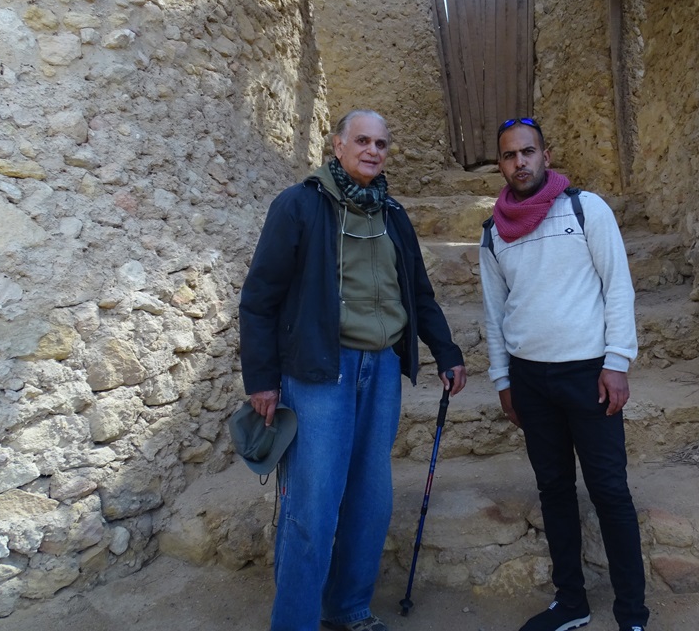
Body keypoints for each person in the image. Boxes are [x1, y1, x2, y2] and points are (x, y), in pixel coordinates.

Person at [239, 109, 467, 631]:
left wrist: (446, 352)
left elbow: (420, 295)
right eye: (362, 140)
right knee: (312, 507)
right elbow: (259, 299)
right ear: (338, 145)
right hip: (320, 373)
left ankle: (349, 609)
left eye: (381, 144)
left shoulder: (393, 215)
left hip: (381, 370)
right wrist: (262, 381)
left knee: (370, 498)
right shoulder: (299, 206)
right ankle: (295, 622)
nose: (372, 150)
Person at [479, 117, 650, 631]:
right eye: (509, 156)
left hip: (588, 375)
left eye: (528, 152)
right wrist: (503, 380)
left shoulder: (585, 209)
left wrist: (616, 362)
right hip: (531, 381)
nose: (520, 163)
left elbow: (617, 286)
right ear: (501, 165)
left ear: (545, 156)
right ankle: (570, 603)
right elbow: (494, 312)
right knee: (553, 489)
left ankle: (631, 614)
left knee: (609, 492)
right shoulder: (493, 233)